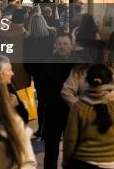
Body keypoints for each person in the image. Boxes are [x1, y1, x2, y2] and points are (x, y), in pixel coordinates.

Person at [63, 64, 114, 168]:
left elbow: (70, 141)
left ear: (87, 81)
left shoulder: (79, 107)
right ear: (111, 80)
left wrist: (66, 164)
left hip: (86, 162)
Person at [41, 33, 75, 169]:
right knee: (51, 150)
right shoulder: (48, 63)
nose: (63, 47)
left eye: (66, 44)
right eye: (60, 44)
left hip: (72, 111)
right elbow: (42, 87)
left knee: (73, 149)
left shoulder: (78, 64)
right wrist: (48, 101)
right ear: (55, 45)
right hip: (53, 111)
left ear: (71, 46)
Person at [0, 54, 30, 124]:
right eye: (9, 70)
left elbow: (25, 117)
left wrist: (17, 106)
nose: (12, 73)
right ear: (0, 75)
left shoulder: (9, 87)